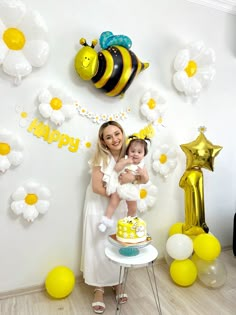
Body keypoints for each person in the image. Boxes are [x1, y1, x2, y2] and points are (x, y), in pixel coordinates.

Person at [80, 121, 149, 314]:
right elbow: (96, 187)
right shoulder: (99, 158)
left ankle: (117, 282)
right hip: (100, 204)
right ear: (103, 141)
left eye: (117, 134)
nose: (115, 139)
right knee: (98, 245)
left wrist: (133, 179)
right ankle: (98, 288)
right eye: (109, 136)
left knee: (117, 244)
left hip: (120, 206)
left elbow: (143, 178)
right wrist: (117, 194)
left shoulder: (133, 154)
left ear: (123, 133)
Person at [98, 136, 150, 232]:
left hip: (132, 190)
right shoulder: (124, 159)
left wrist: (143, 174)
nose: (135, 154)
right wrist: (126, 162)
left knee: (133, 207)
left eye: (139, 152)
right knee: (113, 203)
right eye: (132, 151)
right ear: (127, 151)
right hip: (120, 187)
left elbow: (146, 180)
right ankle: (105, 221)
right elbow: (117, 168)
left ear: (144, 154)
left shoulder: (142, 166)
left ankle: (130, 222)